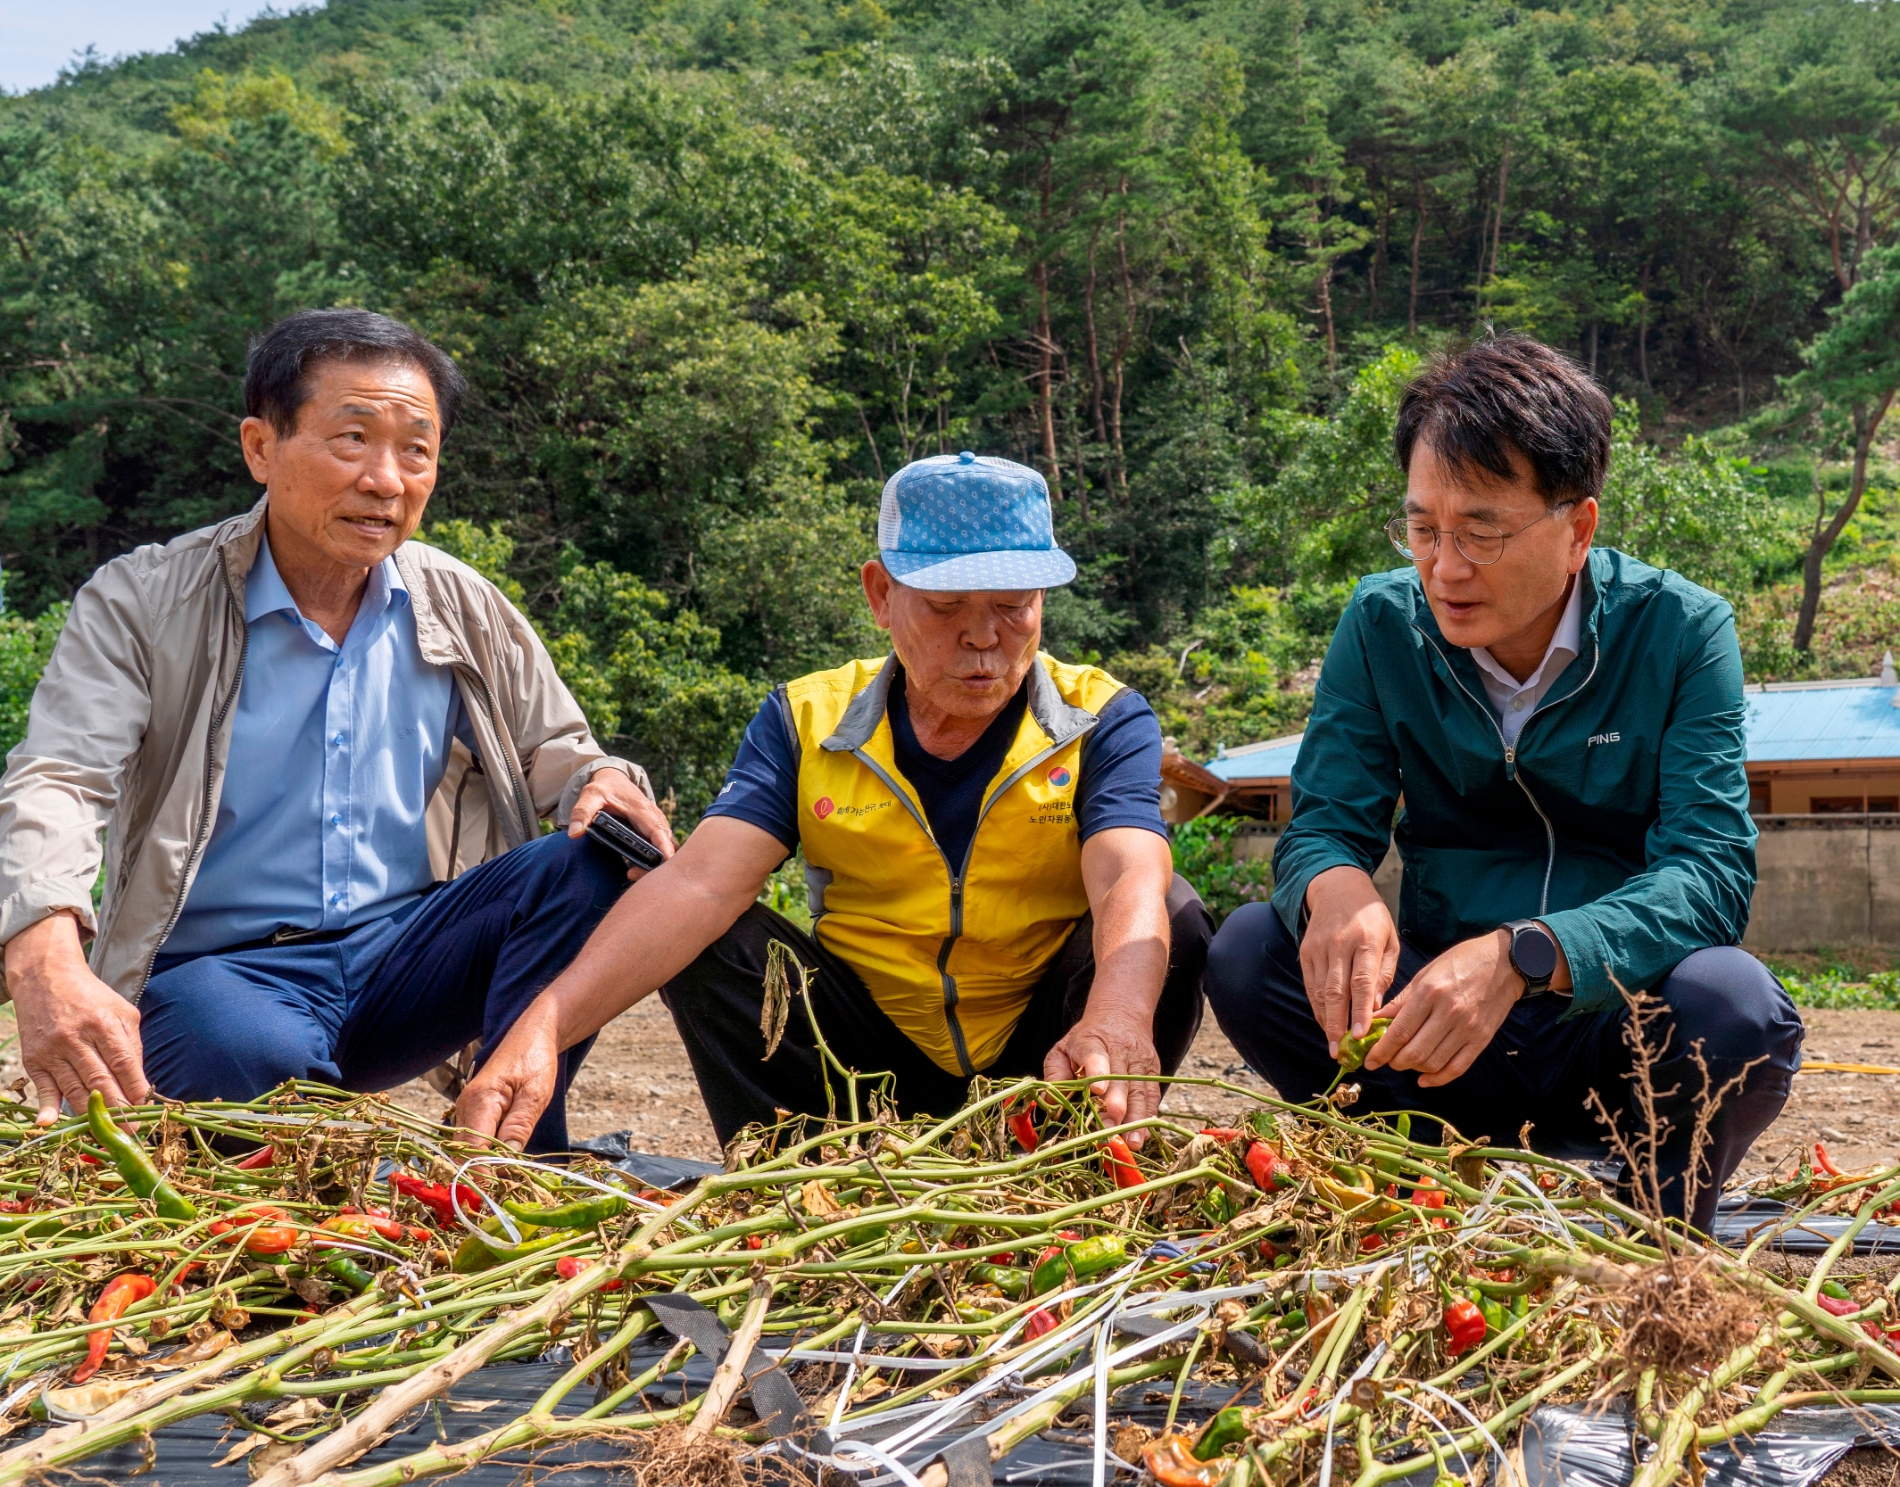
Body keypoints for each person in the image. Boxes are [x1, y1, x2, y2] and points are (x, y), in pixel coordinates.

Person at [0, 308, 676, 1151]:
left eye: (415, 450)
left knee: (592, 858)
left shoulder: (459, 604)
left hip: (406, 960)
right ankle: (331, 1172)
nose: (386, 479)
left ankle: (513, 1150)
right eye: (351, 438)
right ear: (260, 448)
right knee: (248, 1050)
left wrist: (602, 780)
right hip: (222, 978)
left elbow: (561, 755)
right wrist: (42, 949)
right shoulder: (143, 602)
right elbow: (60, 777)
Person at [1203, 335, 1802, 1230]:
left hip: (1611, 1033)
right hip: (1438, 1046)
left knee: (1736, 1004)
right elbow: (1325, 819)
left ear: (1578, 529)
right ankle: (1414, 1181)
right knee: (1250, 949)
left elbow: (1709, 875)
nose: (1445, 566)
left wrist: (1528, 953)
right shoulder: (1380, 625)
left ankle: (1660, 1216)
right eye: (1423, 529)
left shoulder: (1681, 631)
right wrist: (1334, 887)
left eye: (1481, 529)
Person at [457, 452, 1212, 1149]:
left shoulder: (1101, 717)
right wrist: (542, 1029)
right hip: (857, 1063)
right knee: (700, 933)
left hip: (1036, 1057)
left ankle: (1074, 1152)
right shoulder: (806, 719)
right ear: (881, 595)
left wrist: (1115, 1018)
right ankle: (792, 1168)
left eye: (1014, 605)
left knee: (1170, 912)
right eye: (946, 606)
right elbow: (702, 882)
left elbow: (1127, 873)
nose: (983, 637)